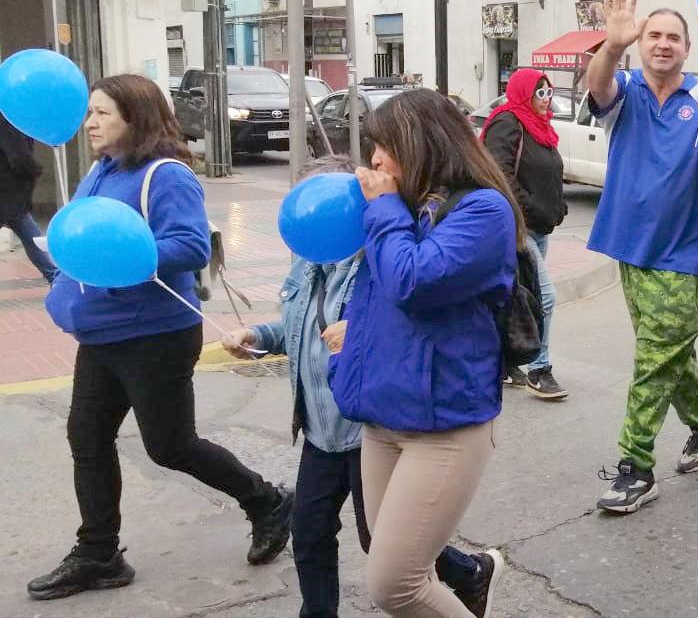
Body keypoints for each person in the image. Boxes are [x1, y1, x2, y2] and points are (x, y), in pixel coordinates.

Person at [31, 74, 292, 601]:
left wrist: (125, 258)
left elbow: (190, 246)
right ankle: (99, 553)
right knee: (87, 438)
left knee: (171, 446)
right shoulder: (101, 171)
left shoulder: (166, 175)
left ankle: (266, 501)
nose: (90, 123)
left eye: (102, 113)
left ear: (136, 117)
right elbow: (81, 240)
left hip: (156, 336)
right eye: (89, 113)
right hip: (102, 335)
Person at [222, 154, 504, 618]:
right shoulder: (307, 260)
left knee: (383, 544)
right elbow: (300, 325)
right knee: (309, 533)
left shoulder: (378, 259)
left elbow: (407, 318)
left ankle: (469, 573)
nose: (314, 216)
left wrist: (360, 334)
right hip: (320, 430)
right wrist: (259, 336)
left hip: (366, 422)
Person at [329, 90, 520, 616]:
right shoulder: (403, 209)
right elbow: (386, 295)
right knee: (400, 565)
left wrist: (384, 209)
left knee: (396, 586)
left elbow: (414, 281)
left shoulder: (483, 209)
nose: (374, 161)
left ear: (421, 143)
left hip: (445, 425)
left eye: (384, 147)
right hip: (383, 416)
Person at [582, 0, 698, 513]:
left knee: (654, 358)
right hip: (631, 247)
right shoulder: (624, 88)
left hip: (683, 252)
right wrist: (612, 43)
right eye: (653, 35)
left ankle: (636, 466)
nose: (663, 44)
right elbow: (598, 88)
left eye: (673, 37)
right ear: (641, 42)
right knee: (669, 352)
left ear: (687, 48)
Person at [481, 67, 568, 399]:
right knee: (545, 296)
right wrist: (530, 207)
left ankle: (503, 362)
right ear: (524, 93)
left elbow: (548, 175)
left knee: (514, 297)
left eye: (549, 92)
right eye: (539, 92)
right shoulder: (508, 122)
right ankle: (539, 370)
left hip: (539, 227)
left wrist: (557, 206)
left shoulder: (541, 128)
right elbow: (498, 174)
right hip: (515, 227)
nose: (546, 99)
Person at [0, 112, 59, 282]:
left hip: (10, 191)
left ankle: (55, 277)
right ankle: (55, 277)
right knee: (28, 232)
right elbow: (19, 155)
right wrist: (34, 170)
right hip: (9, 189)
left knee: (28, 232)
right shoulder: (9, 117)